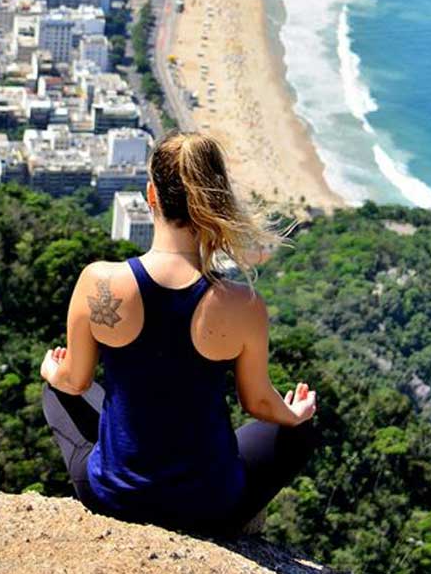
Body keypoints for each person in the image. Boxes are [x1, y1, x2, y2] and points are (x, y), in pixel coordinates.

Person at [40, 130, 318, 536]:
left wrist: (52, 371)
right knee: (300, 427)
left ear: (151, 195)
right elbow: (258, 401)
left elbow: (76, 380)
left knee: (58, 390)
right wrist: (293, 415)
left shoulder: (99, 281)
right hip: (210, 508)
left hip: (114, 499)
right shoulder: (243, 303)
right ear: (217, 200)